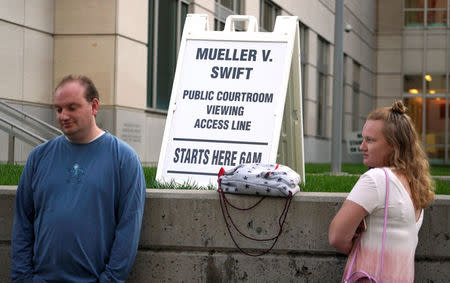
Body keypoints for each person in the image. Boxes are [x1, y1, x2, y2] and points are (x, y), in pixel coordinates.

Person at [11, 75, 146, 282]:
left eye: (72, 108)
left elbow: (128, 230)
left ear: (94, 106)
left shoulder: (124, 159)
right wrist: (22, 278)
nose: (63, 116)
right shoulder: (38, 157)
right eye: (58, 109)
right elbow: (22, 222)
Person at [328, 101, 435, 282]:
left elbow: (336, 236)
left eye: (369, 140)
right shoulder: (414, 182)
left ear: (393, 144)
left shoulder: (377, 178)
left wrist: (357, 246)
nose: (362, 147)